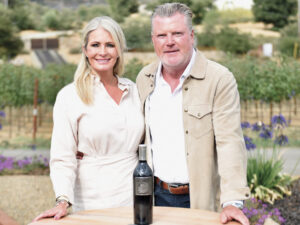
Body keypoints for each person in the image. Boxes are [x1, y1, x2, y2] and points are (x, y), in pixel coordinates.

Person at [136, 3, 250, 225]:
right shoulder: (145, 78)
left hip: (198, 199)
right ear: (153, 40)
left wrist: (232, 202)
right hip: (154, 198)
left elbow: (230, 142)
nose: (169, 42)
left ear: (191, 35)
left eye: (177, 33)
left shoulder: (219, 79)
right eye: (161, 35)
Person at [33, 16, 144, 221]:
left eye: (110, 45)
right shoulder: (70, 96)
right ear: (85, 50)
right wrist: (62, 200)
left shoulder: (135, 91)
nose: (102, 52)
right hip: (93, 197)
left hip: (136, 195)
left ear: (119, 50)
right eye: (95, 45)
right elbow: (62, 156)